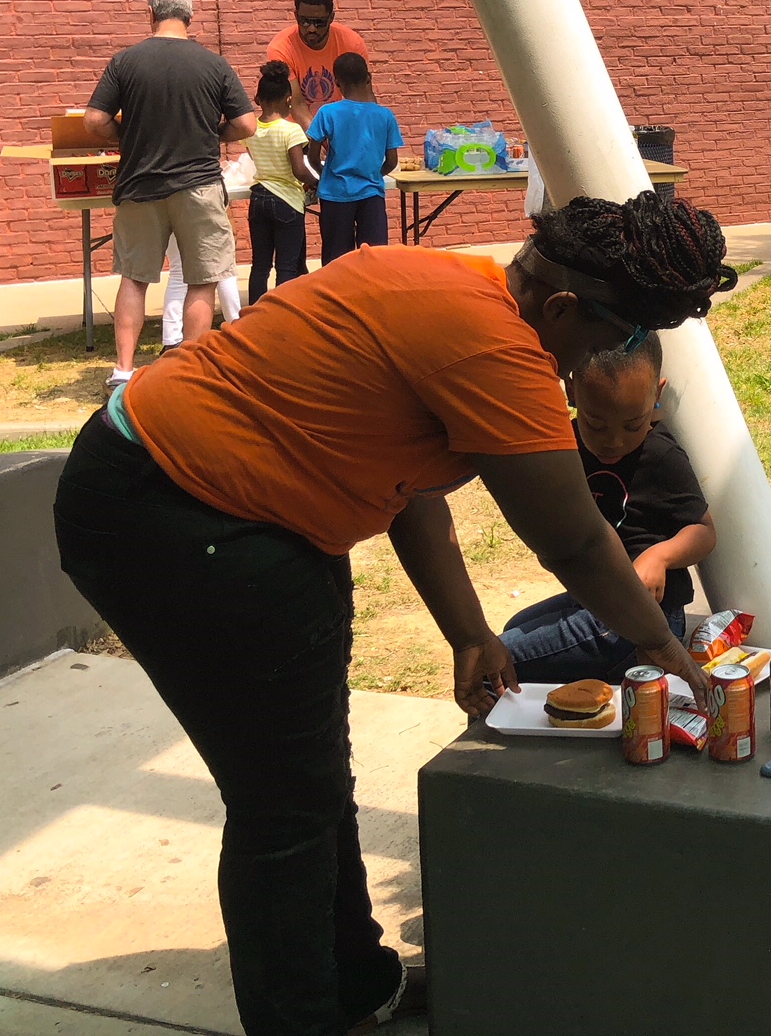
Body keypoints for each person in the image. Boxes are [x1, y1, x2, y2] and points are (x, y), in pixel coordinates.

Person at [53, 191, 735, 1036]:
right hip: (177, 513)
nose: (583, 369)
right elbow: (578, 544)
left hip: (241, 515)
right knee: (282, 806)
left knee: (309, 776)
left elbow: (414, 498)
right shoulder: (495, 345)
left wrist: (470, 634)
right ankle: (302, 1016)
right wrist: (664, 644)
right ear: (562, 306)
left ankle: (356, 982)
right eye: (598, 342)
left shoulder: (451, 287)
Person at [501, 332, 715, 682]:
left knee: (498, 662)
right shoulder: (566, 444)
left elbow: (704, 531)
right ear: (572, 393)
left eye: (633, 424)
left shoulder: (660, 456)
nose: (614, 441)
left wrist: (660, 556)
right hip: (591, 599)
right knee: (515, 627)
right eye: (596, 424)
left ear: (657, 396)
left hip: (645, 619)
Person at [85, 0, 256, 387]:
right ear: (190, 18)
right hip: (198, 186)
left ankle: (123, 371)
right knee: (201, 278)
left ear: (151, 14)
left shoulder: (126, 62)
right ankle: (190, 372)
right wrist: (211, 134)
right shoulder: (213, 64)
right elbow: (247, 124)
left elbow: (94, 120)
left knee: (135, 278)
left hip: (139, 185)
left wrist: (125, 135)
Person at [305, 53, 401, 265]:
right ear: (368, 78)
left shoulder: (327, 112)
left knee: (336, 260)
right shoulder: (385, 116)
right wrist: (374, 173)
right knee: (374, 258)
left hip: (335, 195)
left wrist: (326, 175)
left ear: (337, 82)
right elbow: (392, 161)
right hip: (371, 193)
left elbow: (313, 157)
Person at [243, 59, 318, 302]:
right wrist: (317, 180)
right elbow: (299, 170)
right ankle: (283, 312)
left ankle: (252, 315)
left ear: (258, 99)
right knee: (286, 266)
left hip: (259, 199)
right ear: (288, 99)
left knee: (260, 265)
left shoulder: (251, 129)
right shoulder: (291, 130)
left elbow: (254, 156)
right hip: (287, 201)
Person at [265, 0, 371, 126]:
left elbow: (364, 98)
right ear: (296, 16)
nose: (311, 28)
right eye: (304, 21)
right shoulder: (281, 48)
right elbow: (297, 104)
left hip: (341, 128)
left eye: (319, 22)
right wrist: (318, 140)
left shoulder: (351, 43)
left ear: (331, 17)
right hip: (300, 134)